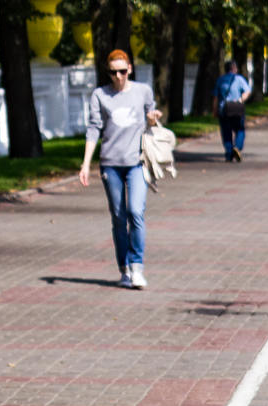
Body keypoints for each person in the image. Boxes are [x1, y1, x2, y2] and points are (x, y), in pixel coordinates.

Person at [81, 50, 161, 289]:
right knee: (118, 217)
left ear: (130, 69)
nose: (118, 77)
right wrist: (86, 164)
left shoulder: (142, 91)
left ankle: (137, 267)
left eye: (122, 71)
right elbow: (94, 129)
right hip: (111, 164)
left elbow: (151, 114)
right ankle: (124, 269)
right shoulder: (100, 95)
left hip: (137, 162)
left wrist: (153, 118)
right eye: (113, 72)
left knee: (136, 212)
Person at [211, 59, 251, 162]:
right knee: (240, 130)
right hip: (237, 109)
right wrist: (240, 100)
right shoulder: (239, 79)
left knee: (226, 132)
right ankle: (237, 147)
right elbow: (247, 92)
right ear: (234, 68)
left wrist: (215, 110)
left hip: (224, 109)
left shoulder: (220, 80)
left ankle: (229, 153)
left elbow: (215, 97)